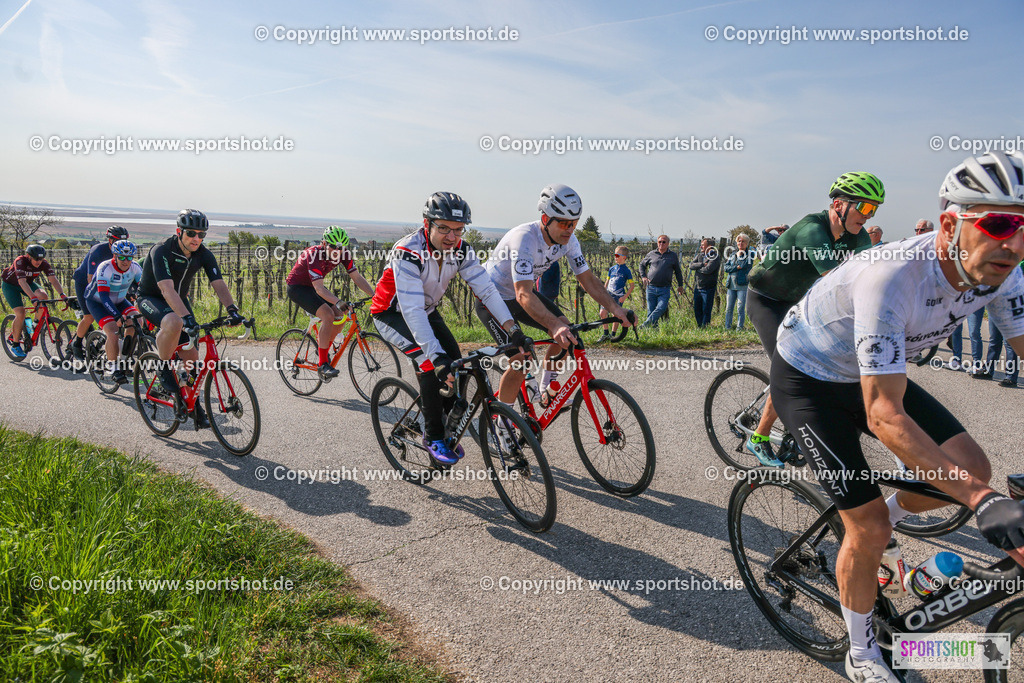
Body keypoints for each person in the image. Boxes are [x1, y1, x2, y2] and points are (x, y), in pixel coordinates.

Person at [771, 151, 1024, 682]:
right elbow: (884, 415)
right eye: (999, 224)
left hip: (870, 370)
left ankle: (880, 519)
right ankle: (862, 653)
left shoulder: (1005, 273)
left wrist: (975, 489)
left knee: (969, 467)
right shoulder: (892, 277)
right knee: (870, 524)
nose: (1015, 244)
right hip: (810, 379)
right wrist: (984, 503)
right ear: (952, 224)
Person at [373, 192, 526, 467]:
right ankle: (432, 436)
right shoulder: (408, 252)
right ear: (427, 224)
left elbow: (487, 291)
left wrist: (512, 329)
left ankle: (438, 416)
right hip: (392, 314)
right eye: (443, 228)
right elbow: (411, 311)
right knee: (431, 364)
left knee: (453, 362)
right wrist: (435, 357)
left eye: (458, 230)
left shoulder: (462, 250)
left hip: (427, 311)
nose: (451, 237)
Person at [744, 171, 883, 467]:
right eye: (865, 207)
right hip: (767, 301)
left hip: (798, 302)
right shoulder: (812, 229)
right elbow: (834, 282)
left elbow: (871, 272)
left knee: (823, 363)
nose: (868, 217)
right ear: (838, 205)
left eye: (874, 210)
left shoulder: (855, 235)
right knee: (792, 365)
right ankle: (759, 436)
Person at [476, 183, 631, 408]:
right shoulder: (524, 239)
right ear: (546, 218)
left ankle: (544, 390)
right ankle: (503, 425)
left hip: (520, 295)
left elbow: (588, 280)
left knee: (567, 330)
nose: (570, 229)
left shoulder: (569, 242)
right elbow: (523, 294)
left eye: (575, 224)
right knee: (522, 361)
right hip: (492, 298)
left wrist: (616, 309)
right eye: (565, 223)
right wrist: (553, 326)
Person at [136, 209, 245, 429]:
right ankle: (163, 366)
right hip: (152, 297)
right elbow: (166, 289)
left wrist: (232, 310)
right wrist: (186, 319)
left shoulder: (203, 253)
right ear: (179, 232)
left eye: (201, 234)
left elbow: (218, 283)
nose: (196, 238)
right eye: (191, 233)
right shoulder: (161, 250)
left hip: (180, 300)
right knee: (174, 323)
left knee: (192, 357)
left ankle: (190, 402)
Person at [286, 226, 375, 379]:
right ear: (324, 243)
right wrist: (339, 301)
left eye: (341, 247)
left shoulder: (343, 254)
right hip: (298, 287)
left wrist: (375, 295)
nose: (337, 250)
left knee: (340, 315)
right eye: (333, 246)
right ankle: (323, 365)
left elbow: (357, 278)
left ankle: (323, 348)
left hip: (314, 286)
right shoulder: (314, 254)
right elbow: (320, 289)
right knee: (327, 315)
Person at [84, 240, 143, 384]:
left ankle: (124, 359)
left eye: (129, 257)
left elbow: (143, 287)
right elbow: (104, 296)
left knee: (137, 321)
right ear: (115, 256)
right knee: (113, 330)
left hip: (119, 299)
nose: (125, 261)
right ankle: (113, 367)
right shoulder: (105, 267)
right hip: (98, 301)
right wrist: (116, 315)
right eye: (122, 257)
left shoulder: (135, 267)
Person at [71, 225, 130, 360]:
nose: (120, 244)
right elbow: (91, 280)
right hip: (85, 283)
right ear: (109, 240)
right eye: (115, 241)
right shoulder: (97, 251)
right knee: (89, 317)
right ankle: (77, 343)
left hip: (107, 283)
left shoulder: (124, 252)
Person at [1, 244, 67, 359]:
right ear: (28, 256)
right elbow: (22, 282)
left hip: (28, 283)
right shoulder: (20, 261)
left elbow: (53, 279)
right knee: (21, 313)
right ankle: (15, 344)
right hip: (11, 285)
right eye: (36, 259)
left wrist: (62, 294)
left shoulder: (44, 263)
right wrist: (32, 297)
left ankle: (35, 323)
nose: (39, 262)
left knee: (43, 296)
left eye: (41, 259)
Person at [638, 235, 684, 329]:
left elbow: (678, 271)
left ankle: (644, 325)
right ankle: (653, 331)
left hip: (665, 288)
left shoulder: (673, 256)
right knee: (651, 310)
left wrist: (680, 285)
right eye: (659, 242)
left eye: (664, 242)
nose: (661, 244)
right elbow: (642, 265)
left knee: (661, 308)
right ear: (657, 242)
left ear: (668, 244)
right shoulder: (651, 254)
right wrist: (643, 277)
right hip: (651, 287)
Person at [598, 245, 635, 340]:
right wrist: (603, 292)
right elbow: (607, 282)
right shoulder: (611, 269)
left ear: (624, 257)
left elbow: (632, 286)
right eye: (614, 255)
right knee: (602, 313)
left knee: (616, 315)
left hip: (618, 296)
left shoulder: (627, 271)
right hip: (608, 295)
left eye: (617, 255)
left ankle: (613, 335)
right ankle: (605, 333)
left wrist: (624, 297)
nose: (615, 257)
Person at [723, 233, 755, 330]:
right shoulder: (733, 254)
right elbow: (726, 267)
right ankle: (727, 327)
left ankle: (739, 327)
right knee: (729, 308)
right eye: (739, 241)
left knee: (740, 308)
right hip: (731, 285)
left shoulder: (750, 255)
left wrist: (739, 257)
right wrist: (736, 267)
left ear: (747, 243)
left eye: (743, 241)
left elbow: (744, 265)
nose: (740, 243)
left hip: (742, 285)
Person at [689, 237, 721, 328]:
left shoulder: (715, 256)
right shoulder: (700, 255)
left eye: (703, 245)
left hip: (708, 287)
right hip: (698, 286)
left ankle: (705, 327)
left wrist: (697, 269)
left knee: (706, 309)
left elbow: (708, 270)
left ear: (709, 246)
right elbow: (691, 265)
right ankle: (700, 326)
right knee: (697, 308)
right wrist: (701, 264)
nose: (701, 246)